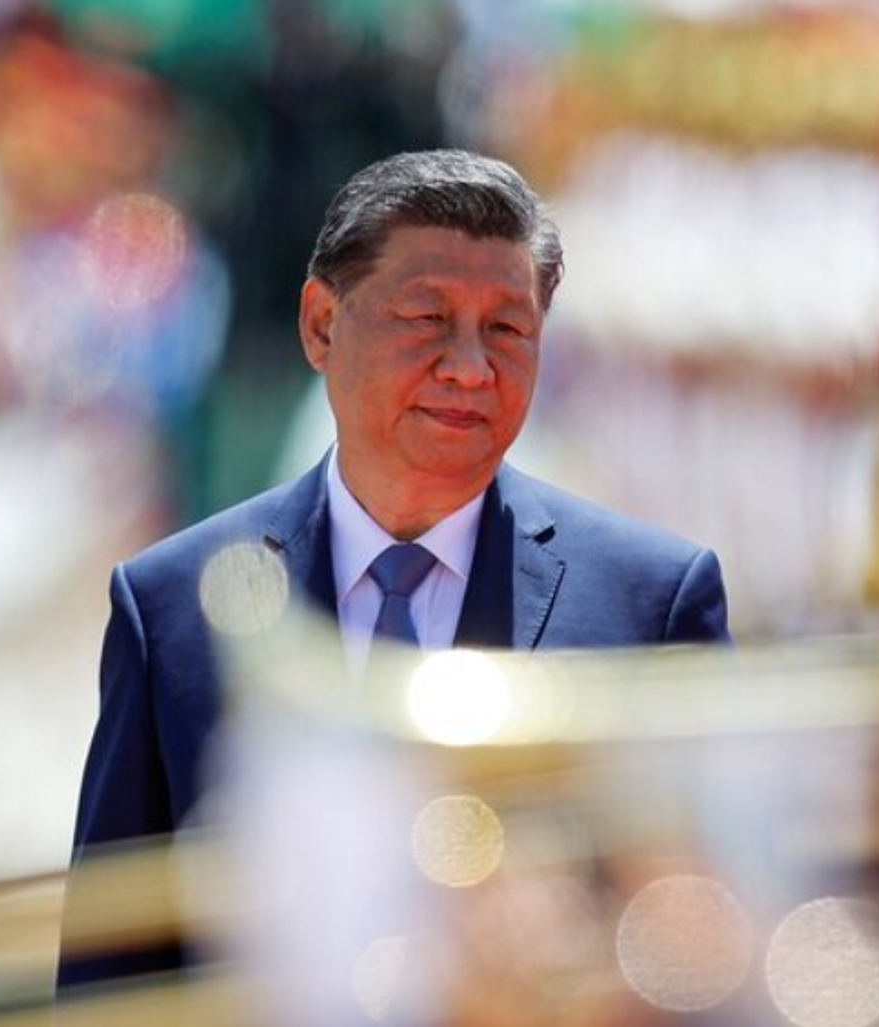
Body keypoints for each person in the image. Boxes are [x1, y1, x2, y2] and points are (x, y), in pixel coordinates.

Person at [59, 149, 730, 988]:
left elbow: (712, 951)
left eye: (508, 329)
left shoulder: (650, 601)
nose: (470, 368)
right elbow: (112, 966)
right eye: (427, 318)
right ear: (321, 325)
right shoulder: (172, 607)